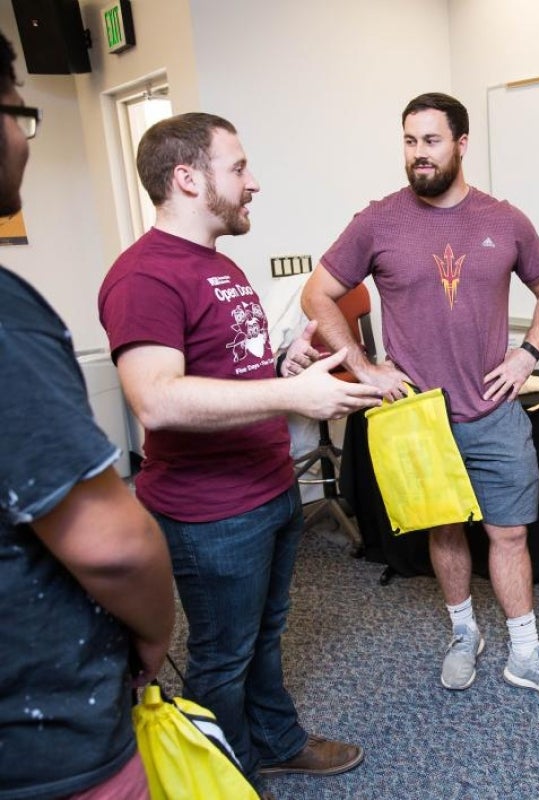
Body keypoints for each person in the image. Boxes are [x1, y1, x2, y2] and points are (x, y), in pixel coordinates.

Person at [98, 112, 383, 791]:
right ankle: (224, 777)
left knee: (265, 635)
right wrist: (295, 401)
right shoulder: (144, 277)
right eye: (239, 168)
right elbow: (158, 399)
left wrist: (283, 367)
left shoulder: (217, 264)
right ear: (188, 178)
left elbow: (223, 377)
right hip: (211, 515)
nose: (253, 183)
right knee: (222, 659)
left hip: (267, 489)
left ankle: (275, 740)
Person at [302, 92, 539, 708]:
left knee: (509, 536)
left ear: (460, 144)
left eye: (431, 141)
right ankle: (464, 634)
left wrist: (527, 354)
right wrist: (362, 365)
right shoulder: (377, 221)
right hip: (417, 419)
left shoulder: (505, 221)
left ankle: (526, 654)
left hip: (493, 413)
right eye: (409, 141)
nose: (418, 155)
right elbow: (318, 294)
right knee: (445, 530)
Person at [0, 33, 175, 799]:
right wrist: (156, 633)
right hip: (46, 751)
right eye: (17, 113)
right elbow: (112, 545)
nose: (22, 139)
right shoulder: (10, 317)